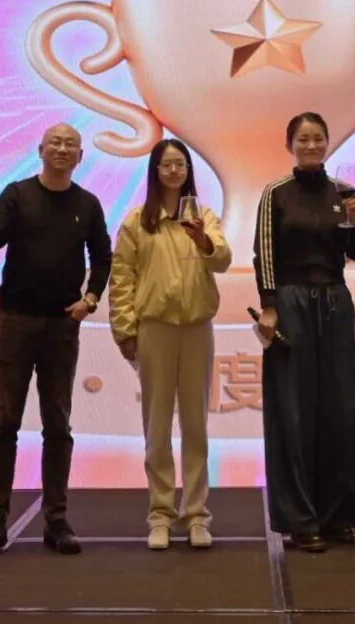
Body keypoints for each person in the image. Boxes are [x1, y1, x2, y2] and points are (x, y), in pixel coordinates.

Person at [0, 122, 112, 557]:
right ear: (41, 149)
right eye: (56, 142)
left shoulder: (87, 204)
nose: (62, 149)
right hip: (16, 320)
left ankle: (56, 519)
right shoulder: (18, 195)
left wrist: (91, 299)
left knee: (58, 424)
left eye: (71, 144)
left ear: (80, 156)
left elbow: (103, 257)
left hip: (61, 326)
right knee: (4, 422)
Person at [252, 111, 355, 552]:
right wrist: (269, 305)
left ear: (327, 143)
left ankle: (338, 516)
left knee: (340, 410)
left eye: (318, 138)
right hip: (291, 302)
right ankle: (301, 519)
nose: (311, 145)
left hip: (336, 301)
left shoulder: (342, 193)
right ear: (290, 145)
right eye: (303, 139)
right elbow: (263, 251)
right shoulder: (276, 193)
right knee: (293, 410)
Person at [108, 139, 231, 551]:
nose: (174, 171)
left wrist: (202, 240)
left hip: (196, 328)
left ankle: (196, 515)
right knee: (156, 427)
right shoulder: (137, 222)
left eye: (180, 164)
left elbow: (223, 259)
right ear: (155, 171)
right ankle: (160, 514)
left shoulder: (203, 216)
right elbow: (121, 279)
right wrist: (125, 330)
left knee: (196, 425)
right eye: (167, 165)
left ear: (188, 171)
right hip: (154, 329)